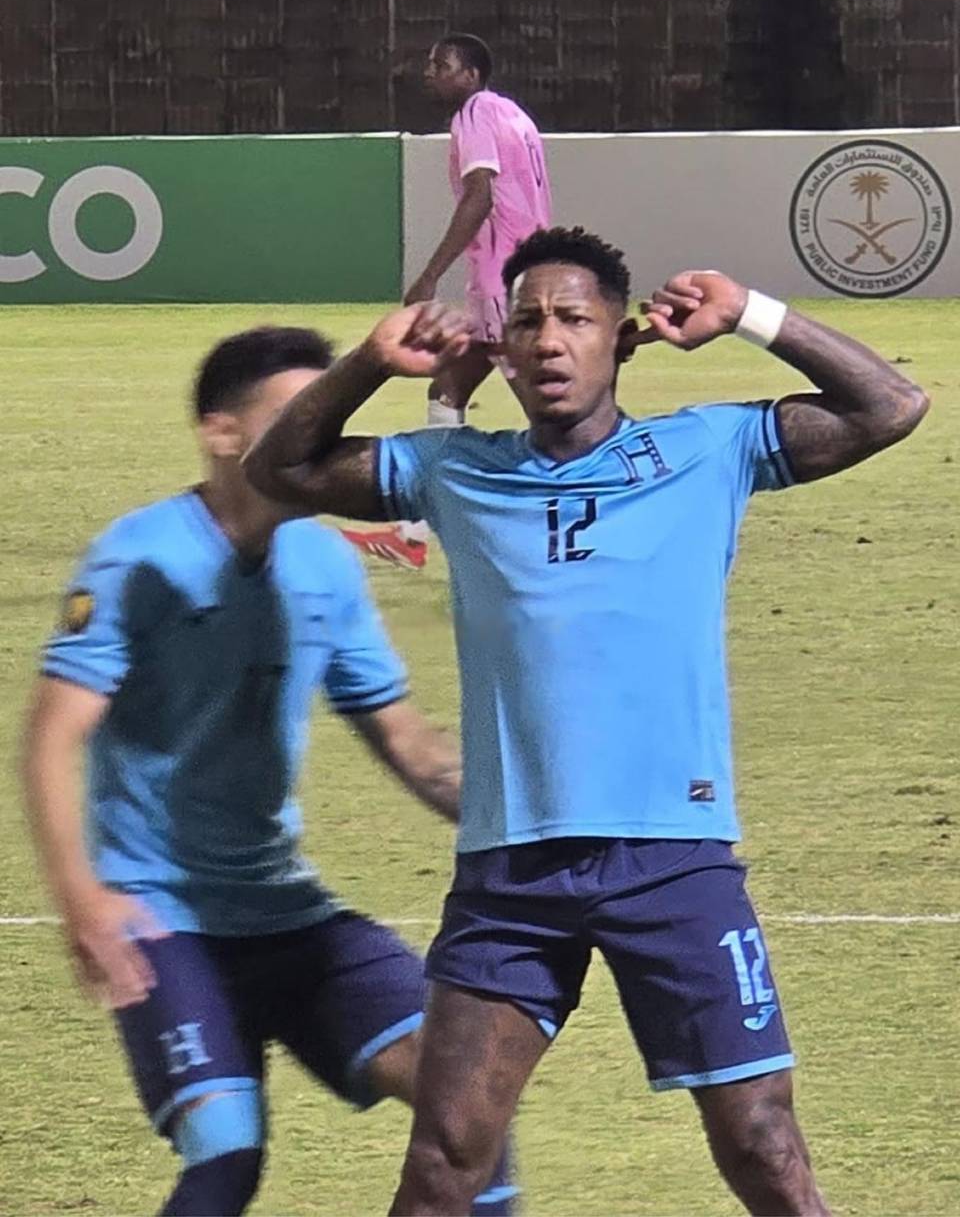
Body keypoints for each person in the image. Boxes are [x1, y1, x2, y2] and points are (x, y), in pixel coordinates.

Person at [243, 227, 929, 1216]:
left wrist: (749, 313)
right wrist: (368, 363)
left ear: (622, 336)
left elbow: (891, 404)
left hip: (673, 858)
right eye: (527, 322)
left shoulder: (707, 449)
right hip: (512, 873)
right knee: (443, 1159)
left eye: (573, 318)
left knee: (763, 1143)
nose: (550, 340)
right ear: (505, 351)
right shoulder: (453, 469)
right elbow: (280, 469)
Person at [21, 326, 518, 1217]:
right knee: (227, 1153)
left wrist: (530, 824)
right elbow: (50, 737)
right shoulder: (137, 559)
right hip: (161, 917)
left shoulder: (324, 562)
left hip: (287, 913)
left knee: (467, 1107)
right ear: (220, 433)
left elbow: (409, 744)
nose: (315, 433)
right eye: (294, 413)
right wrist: (82, 900)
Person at [343, 32, 551, 570]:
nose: (429, 73)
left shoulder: (474, 114)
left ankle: (586, 524)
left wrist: (430, 275)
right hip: (517, 272)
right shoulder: (511, 113)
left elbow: (480, 194)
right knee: (448, 389)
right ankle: (413, 533)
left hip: (506, 281)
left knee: (547, 412)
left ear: (472, 75)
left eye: (442, 65)